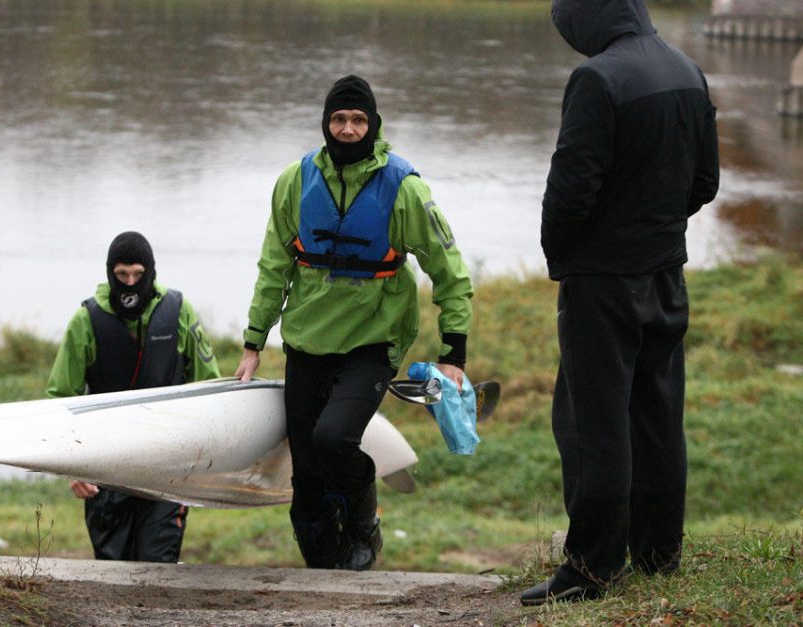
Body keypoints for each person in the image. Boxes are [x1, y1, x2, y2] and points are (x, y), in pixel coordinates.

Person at [521, 0, 720, 605]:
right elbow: (705, 181)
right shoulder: (687, 70)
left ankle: (592, 569)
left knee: (592, 421)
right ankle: (659, 553)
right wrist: (655, 227)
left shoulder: (597, 78)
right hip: (666, 270)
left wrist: (563, 254)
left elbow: (570, 189)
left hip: (603, 279)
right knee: (658, 413)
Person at [235, 75, 473, 571]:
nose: (347, 129)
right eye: (339, 119)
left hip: (374, 341)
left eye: (358, 119)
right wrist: (254, 340)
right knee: (307, 487)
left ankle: (364, 519)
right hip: (307, 340)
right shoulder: (295, 182)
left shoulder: (404, 188)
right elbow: (273, 267)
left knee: (332, 440)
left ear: (373, 124)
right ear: (326, 124)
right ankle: (329, 572)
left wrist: (454, 352)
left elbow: (448, 271)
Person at [47, 231, 221, 562]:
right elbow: (60, 399)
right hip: (106, 470)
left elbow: (208, 388)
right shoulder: (85, 321)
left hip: (168, 467)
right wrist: (71, 469)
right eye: (122, 275)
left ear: (150, 271)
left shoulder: (180, 311)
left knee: (158, 562)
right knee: (113, 569)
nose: (130, 283)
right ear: (110, 273)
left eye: (138, 275)